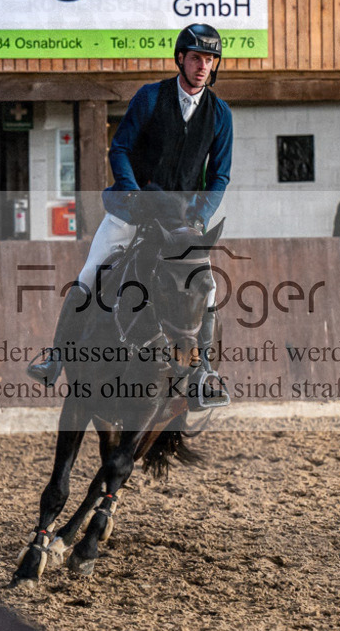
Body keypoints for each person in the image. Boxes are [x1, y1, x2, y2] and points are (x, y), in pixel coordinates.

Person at [27, 23, 233, 399]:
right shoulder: (150, 97)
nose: (203, 65)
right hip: (131, 211)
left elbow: (219, 175)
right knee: (89, 274)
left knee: (209, 288)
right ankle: (54, 359)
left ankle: (203, 374)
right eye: (196, 58)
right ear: (180, 60)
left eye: (210, 59)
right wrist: (134, 194)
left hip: (181, 223)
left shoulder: (220, 115)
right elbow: (119, 148)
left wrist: (200, 217)